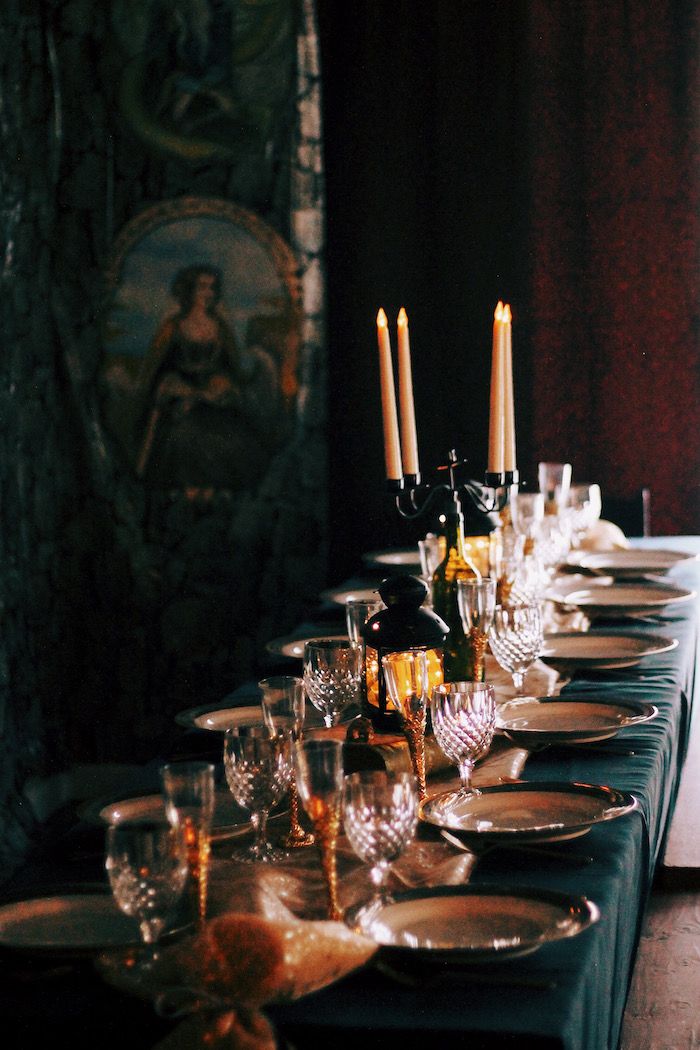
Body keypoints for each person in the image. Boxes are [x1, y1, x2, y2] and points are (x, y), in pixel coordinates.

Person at [132, 264, 280, 493]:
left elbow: (233, 369)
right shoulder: (174, 326)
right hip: (179, 402)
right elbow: (154, 370)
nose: (208, 293)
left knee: (237, 439)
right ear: (189, 290)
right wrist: (177, 389)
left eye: (212, 287)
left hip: (213, 400)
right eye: (202, 287)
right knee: (185, 437)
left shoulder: (220, 327)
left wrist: (223, 385)